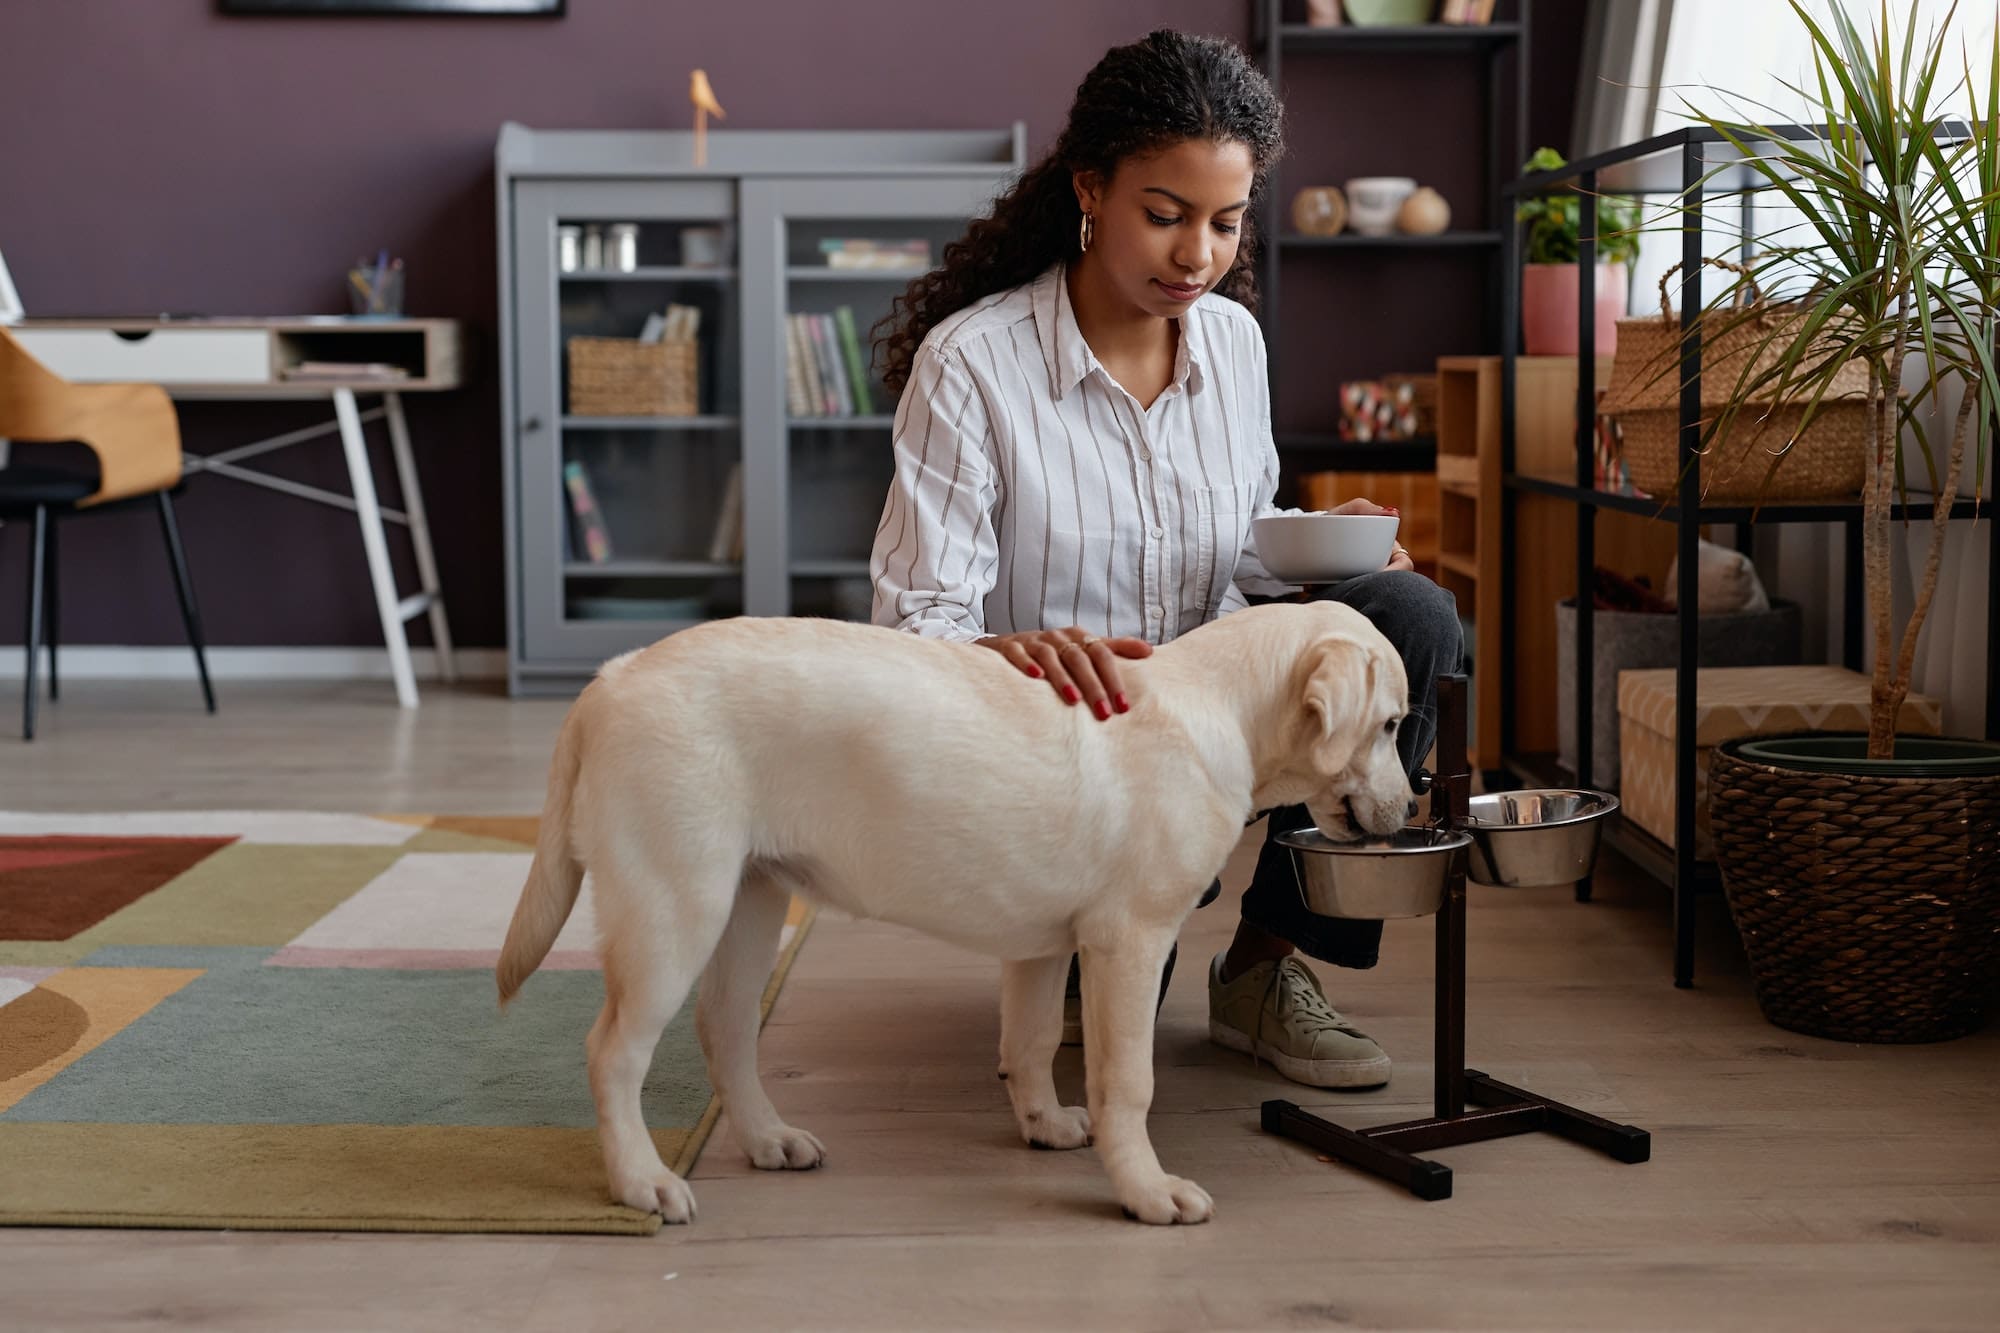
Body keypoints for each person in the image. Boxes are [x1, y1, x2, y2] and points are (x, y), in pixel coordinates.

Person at [868, 29, 1460, 1089]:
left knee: (1406, 616)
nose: (1196, 255)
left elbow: (1234, 550)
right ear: (1090, 190)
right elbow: (915, 628)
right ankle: (1080, 947)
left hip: (1207, 721)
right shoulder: (973, 363)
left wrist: (1317, 544)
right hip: (1067, 745)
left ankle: (1263, 969)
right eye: (1164, 215)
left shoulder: (1231, 342)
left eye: (1225, 222)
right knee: (1109, 993)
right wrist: (1023, 653)